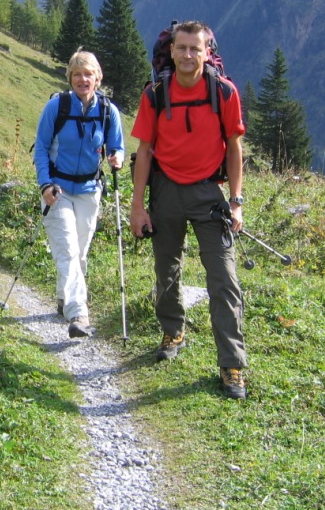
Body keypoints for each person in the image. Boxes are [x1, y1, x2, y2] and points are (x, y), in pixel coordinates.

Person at [128, 20, 248, 399]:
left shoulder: (224, 92)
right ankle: (172, 331)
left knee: (224, 279)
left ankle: (232, 364)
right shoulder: (155, 94)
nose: (188, 55)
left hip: (209, 194)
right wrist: (137, 206)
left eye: (195, 48)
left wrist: (236, 201)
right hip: (165, 191)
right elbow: (144, 151)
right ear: (172, 50)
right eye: (181, 48)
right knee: (166, 270)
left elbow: (234, 148)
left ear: (207, 52)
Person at [33, 50, 124, 339]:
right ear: (70, 78)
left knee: (79, 253)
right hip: (57, 190)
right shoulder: (56, 107)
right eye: (77, 74)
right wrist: (45, 185)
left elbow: (117, 145)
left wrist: (117, 157)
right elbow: (40, 148)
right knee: (69, 250)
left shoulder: (108, 111)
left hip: (89, 191)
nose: (82, 79)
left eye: (88, 74)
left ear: (98, 78)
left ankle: (64, 298)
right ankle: (78, 314)